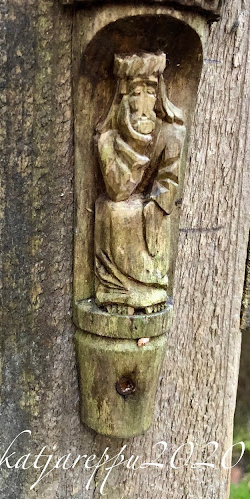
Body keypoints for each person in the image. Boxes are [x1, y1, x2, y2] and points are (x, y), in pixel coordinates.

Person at [94, 51, 186, 314]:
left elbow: (169, 179)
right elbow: (117, 190)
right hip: (121, 209)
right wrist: (136, 141)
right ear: (123, 99)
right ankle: (117, 291)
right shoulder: (108, 139)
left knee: (152, 215)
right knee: (112, 209)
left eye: (150, 92)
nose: (144, 102)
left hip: (149, 212)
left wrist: (155, 207)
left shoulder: (171, 134)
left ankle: (152, 290)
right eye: (136, 93)